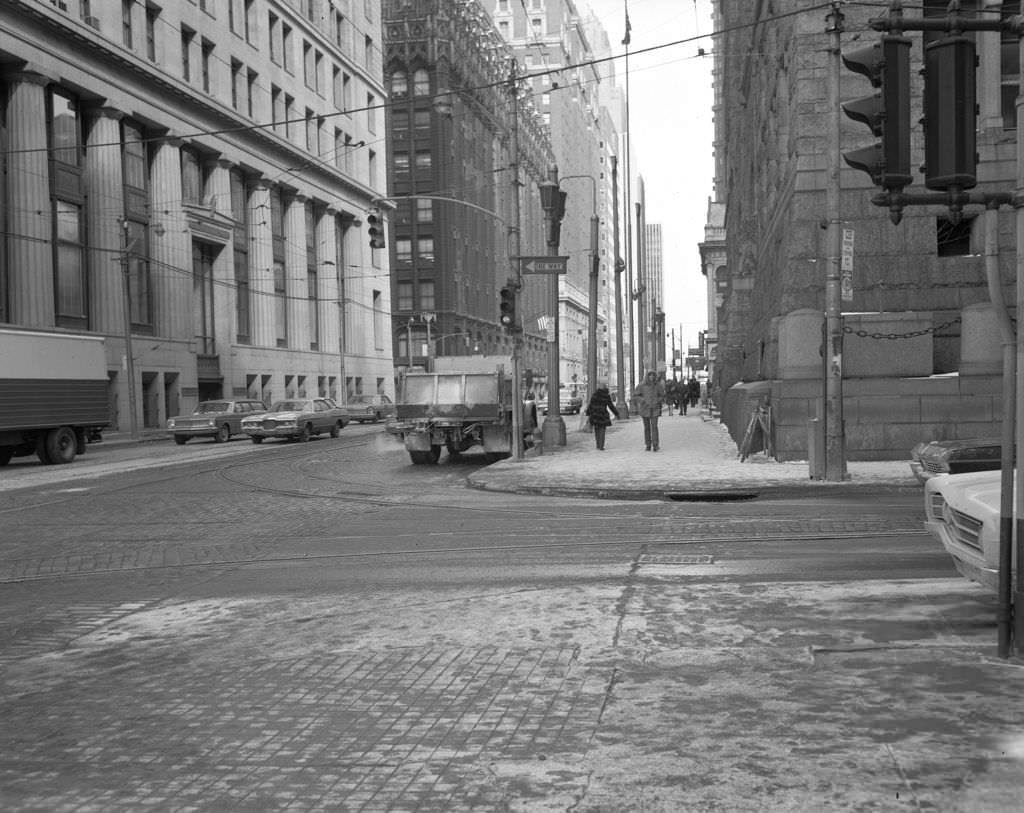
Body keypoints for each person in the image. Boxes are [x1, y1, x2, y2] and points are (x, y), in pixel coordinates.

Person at [632, 370, 665, 451]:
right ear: (647, 376)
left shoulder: (658, 385)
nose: (652, 377)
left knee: (654, 427)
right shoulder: (642, 385)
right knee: (647, 428)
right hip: (645, 408)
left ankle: (655, 444)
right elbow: (636, 395)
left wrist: (658, 400)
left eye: (653, 375)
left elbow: (662, 395)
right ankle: (648, 444)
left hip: (655, 408)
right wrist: (642, 400)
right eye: (650, 375)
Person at [584, 381, 620, 450]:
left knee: (596, 430)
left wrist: (588, 413)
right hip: (603, 414)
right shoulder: (606, 396)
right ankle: (601, 446)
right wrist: (616, 414)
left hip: (595, 415)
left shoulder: (594, 395)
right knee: (602, 430)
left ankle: (598, 445)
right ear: (605, 388)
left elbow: (591, 405)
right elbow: (611, 406)